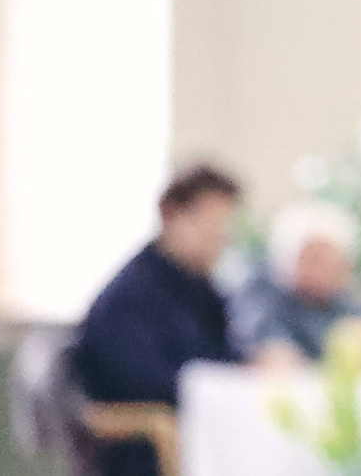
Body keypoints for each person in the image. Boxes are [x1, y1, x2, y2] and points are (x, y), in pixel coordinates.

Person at [71, 163, 243, 476]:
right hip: (141, 442)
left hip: (199, 425)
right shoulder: (130, 295)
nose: (219, 237)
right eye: (210, 224)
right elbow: (138, 379)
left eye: (223, 226)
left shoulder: (201, 290)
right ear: (173, 216)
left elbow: (222, 354)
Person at [229, 199, 361, 368]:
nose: (324, 268)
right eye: (314, 258)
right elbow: (263, 342)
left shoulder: (350, 299)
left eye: (331, 259)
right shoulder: (264, 293)